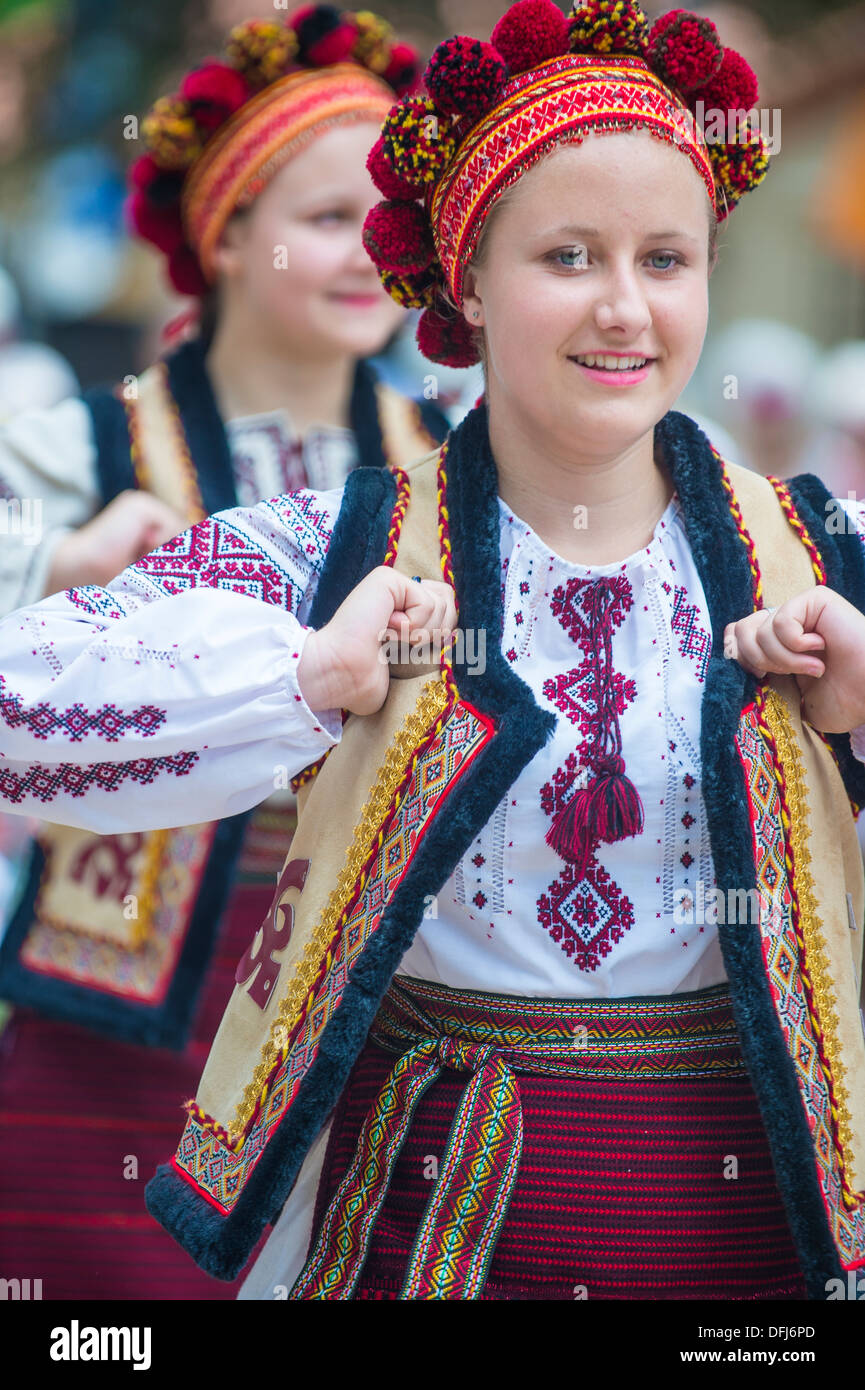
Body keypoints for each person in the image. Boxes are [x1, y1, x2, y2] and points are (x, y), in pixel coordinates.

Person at [1, 0, 864, 1301]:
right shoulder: (337, 544)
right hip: (436, 1222)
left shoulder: (820, 551)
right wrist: (302, 683)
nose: (625, 307)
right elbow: (24, 696)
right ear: (462, 279)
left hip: (750, 1245)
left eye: (666, 259)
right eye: (567, 256)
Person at [0, 4, 450, 1300]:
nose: (368, 250)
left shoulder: (463, 453)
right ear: (227, 232)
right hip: (114, 1006)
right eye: (323, 218)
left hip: (369, 987)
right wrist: (59, 565)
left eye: (386, 219)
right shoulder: (85, 444)